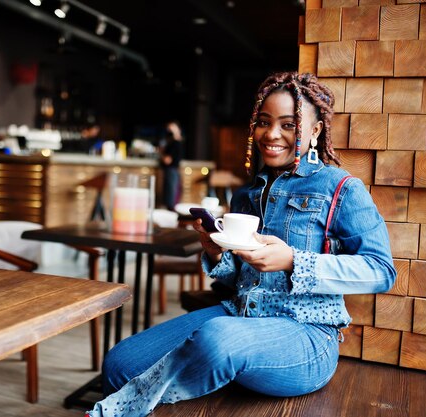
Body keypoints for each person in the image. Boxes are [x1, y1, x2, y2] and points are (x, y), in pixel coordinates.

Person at [85, 72, 396, 417]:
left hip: (306, 335)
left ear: (315, 131)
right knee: (119, 363)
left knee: (217, 340)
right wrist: (216, 252)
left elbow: (381, 270)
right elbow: (239, 279)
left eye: (289, 124)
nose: (271, 134)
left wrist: (294, 260)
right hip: (238, 316)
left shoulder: (340, 188)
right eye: (263, 122)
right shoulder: (246, 195)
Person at [159, 121, 183, 210]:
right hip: (173, 171)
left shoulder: (174, 143)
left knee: (170, 197)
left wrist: (161, 153)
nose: (169, 130)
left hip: (171, 171)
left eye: (172, 128)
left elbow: (167, 160)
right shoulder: (175, 142)